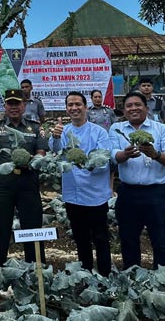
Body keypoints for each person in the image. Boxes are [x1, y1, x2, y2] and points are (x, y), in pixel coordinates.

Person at [0, 89, 48, 302]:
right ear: (5, 107)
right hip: (4, 186)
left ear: (24, 106)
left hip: (28, 185)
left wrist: (32, 160)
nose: (14, 107)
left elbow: (42, 152)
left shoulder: (35, 128)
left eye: (17, 103)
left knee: (33, 233)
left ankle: (35, 284)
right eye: (10, 104)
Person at [109, 91, 165, 270]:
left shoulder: (162, 129)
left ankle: (163, 280)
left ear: (146, 108)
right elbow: (111, 155)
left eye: (138, 105)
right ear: (124, 111)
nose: (134, 108)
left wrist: (155, 155)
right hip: (127, 192)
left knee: (160, 239)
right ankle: (132, 279)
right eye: (129, 106)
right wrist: (124, 155)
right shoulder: (116, 129)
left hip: (156, 193)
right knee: (128, 239)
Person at [49, 92, 113, 276]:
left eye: (78, 104)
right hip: (73, 194)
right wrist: (54, 137)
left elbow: (104, 158)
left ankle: (104, 276)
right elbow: (56, 153)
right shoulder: (64, 131)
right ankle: (85, 275)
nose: (74, 108)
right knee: (81, 239)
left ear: (85, 107)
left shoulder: (99, 132)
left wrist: (86, 164)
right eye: (70, 105)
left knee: (100, 238)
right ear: (66, 108)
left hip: (96, 195)